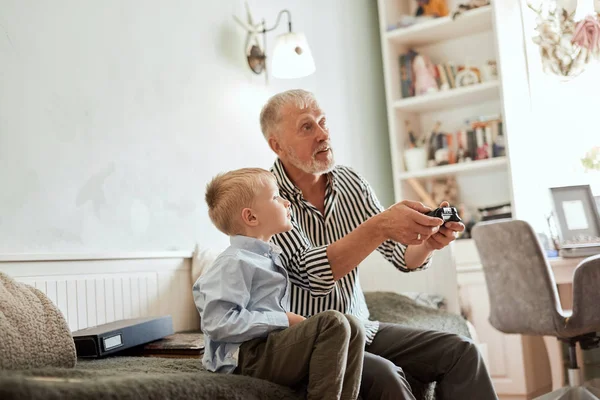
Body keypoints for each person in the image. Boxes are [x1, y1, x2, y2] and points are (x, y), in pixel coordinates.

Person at [259, 89, 498, 400]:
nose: (323, 134)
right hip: (307, 343)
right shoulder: (266, 198)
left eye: (323, 122)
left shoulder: (350, 183)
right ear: (276, 144)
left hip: (361, 326)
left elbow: (403, 257)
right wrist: (381, 225)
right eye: (307, 127)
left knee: (461, 351)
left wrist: (428, 243)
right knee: (387, 376)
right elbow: (313, 274)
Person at [193, 168, 366, 400]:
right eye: (276, 197)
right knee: (332, 323)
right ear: (251, 217)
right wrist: (284, 319)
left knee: (353, 325)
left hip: (268, 348)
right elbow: (218, 323)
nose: (286, 203)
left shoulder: (269, 257)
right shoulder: (233, 262)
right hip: (246, 356)